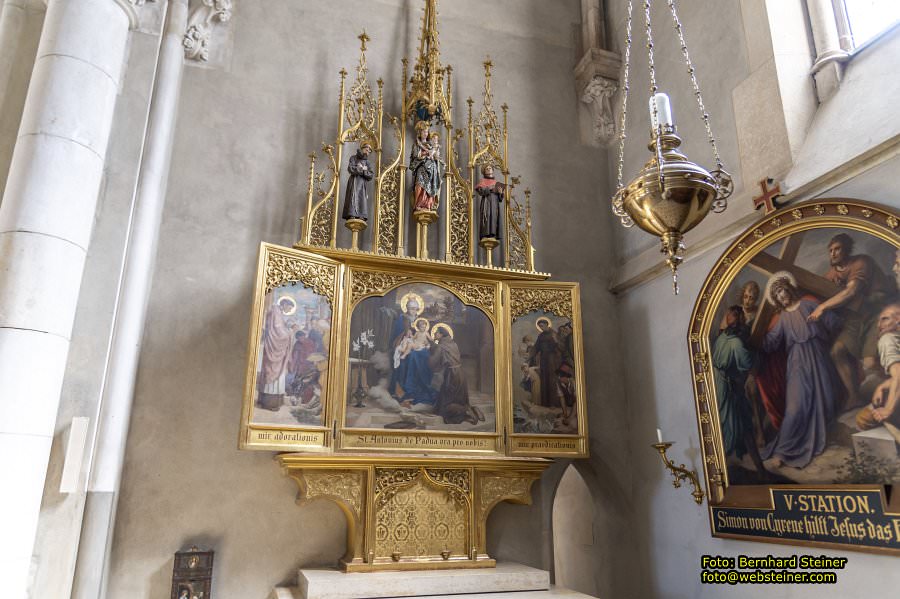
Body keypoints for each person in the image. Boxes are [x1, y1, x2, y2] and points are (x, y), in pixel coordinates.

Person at [760, 274, 843, 468]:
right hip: (797, 362)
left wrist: (825, 317)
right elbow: (771, 343)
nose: (781, 295)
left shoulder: (808, 304)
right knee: (795, 407)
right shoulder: (782, 318)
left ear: (789, 289)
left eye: (782, 290)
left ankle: (814, 438)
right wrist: (755, 339)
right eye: (777, 294)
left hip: (818, 356)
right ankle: (782, 452)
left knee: (827, 399)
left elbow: (834, 322)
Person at [809, 233, 896, 407]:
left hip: (876, 313)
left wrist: (823, 307)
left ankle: (894, 387)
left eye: (837, 249)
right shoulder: (832, 273)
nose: (833, 253)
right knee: (837, 352)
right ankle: (853, 397)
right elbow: (816, 289)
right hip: (855, 319)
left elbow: (851, 291)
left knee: (870, 362)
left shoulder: (861, 262)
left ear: (847, 249)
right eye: (830, 250)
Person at [712, 306, 768, 475]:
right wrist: (757, 352)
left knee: (729, 426)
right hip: (732, 390)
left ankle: (723, 471)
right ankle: (760, 471)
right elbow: (747, 363)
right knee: (743, 427)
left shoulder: (721, 338)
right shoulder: (736, 343)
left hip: (722, 386)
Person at [856, 303, 900, 430]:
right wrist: (883, 386)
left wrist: (888, 409)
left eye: (885, 319)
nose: (879, 325)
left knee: (863, 419)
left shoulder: (888, 339)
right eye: (878, 320)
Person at [429, 325, 483, 424]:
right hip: (460, 374)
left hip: (451, 376)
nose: (435, 334)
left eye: (436, 332)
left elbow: (432, 362)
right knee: (457, 399)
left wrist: (428, 352)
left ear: (441, 334)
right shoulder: (453, 344)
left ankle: (466, 412)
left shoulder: (441, 347)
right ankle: (472, 409)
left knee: (445, 407)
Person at [257, 297, 295, 411]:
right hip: (274, 348)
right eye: (289, 308)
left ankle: (269, 401)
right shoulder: (276, 311)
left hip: (274, 348)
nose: (289, 310)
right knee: (274, 374)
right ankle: (270, 403)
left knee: (274, 375)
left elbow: (278, 327)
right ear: (285, 304)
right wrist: (289, 332)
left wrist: (286, 327)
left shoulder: (277, 312)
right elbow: (278, 331)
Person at [529, 318, 563, 408]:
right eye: (539, 326)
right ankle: (546, 403)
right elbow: (536, 347)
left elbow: (560, 346)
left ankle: (554, 403)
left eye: (542, 326)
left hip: (552, 359)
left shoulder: (554, 334)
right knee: (544, 379)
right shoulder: (541, 336)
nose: (541, 328)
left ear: (547, 325)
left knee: (552, 380)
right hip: (544, 360)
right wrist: (531, 355)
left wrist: (556, 342)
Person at [409, 122, 443, 212]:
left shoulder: (430, 144)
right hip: (421, 167)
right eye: (424, 132)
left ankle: (428, 204)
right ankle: (418, 203)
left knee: (429, 185)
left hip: (431, 168)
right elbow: (415, 156)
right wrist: (425, 153)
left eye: (427, 132)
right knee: (419, 184)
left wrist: (435, 154)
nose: (426, 134)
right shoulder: (416, 144)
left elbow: (435, 156)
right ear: (420, 133)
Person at [342, 142, 374, 222]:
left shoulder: (367, 162)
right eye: (366, 150)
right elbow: (350, 168)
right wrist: (362, 169)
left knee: (361, 197)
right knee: (353, 195)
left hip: (362, 183)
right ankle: (352, 213)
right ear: (362, 149)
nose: (367, 152)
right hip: (354, 180)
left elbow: (370, 175)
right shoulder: (353, 158)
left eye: (369, 151)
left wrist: (362, 170)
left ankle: (361, 215)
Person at [474, 164, 505, 240]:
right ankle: (486, 234)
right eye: (486, 168)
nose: (488, 169)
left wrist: (500, 193)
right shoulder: (482, 181)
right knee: (487, 216)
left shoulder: (496, 182)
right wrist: (490, 188)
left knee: (494, 217)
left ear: (492, 170)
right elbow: (481, 192)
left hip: (495, 202)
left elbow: (500, 199)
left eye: (490, 168)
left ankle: (493, 234)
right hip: (486, 202)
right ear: (484, 171)